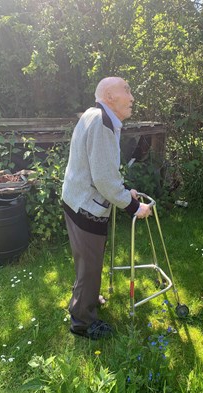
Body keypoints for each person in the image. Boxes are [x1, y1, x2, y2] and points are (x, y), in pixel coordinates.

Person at [62, 77, 151, 340]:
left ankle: (85, 299)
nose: (132, 97)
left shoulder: (94, 115)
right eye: (127, 90)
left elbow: (100, 169)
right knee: (90, 265)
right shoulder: (102, 123)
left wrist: (123, 190)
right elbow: (102, 179)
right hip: (85, 205)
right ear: (110, 96)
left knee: (88, 262)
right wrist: (134, 206)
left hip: (76, 198)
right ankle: (82, 322)